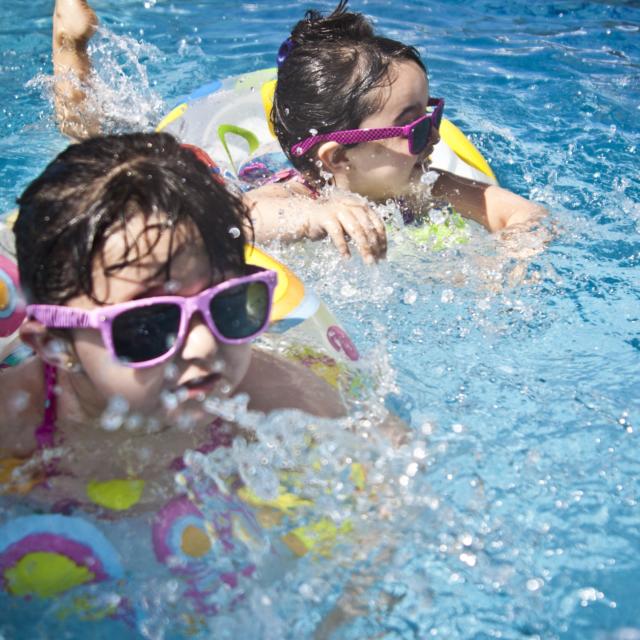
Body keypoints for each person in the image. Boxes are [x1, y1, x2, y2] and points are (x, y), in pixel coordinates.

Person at [244, 0, 548, 257]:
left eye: (430, 117)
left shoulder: (424, 186)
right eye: (413, 128)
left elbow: (526, 214)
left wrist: (510, 258)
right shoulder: (299, 198)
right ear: (338, 158)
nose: (434, 138)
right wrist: (311, 218)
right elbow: (234, 221)